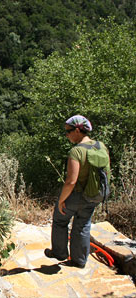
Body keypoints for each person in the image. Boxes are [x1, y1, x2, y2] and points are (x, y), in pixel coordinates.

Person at [44, 115, 110, 268]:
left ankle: (59, 253)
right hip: (94, 195)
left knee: (60, 221)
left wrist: (61, 200)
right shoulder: (101, 146)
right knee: (83, 225)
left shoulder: (76, 151)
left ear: (78, 130)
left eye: (68, 131)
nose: (66, 135)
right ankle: (79, 260)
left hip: (76, 195)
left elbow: (71, 181)